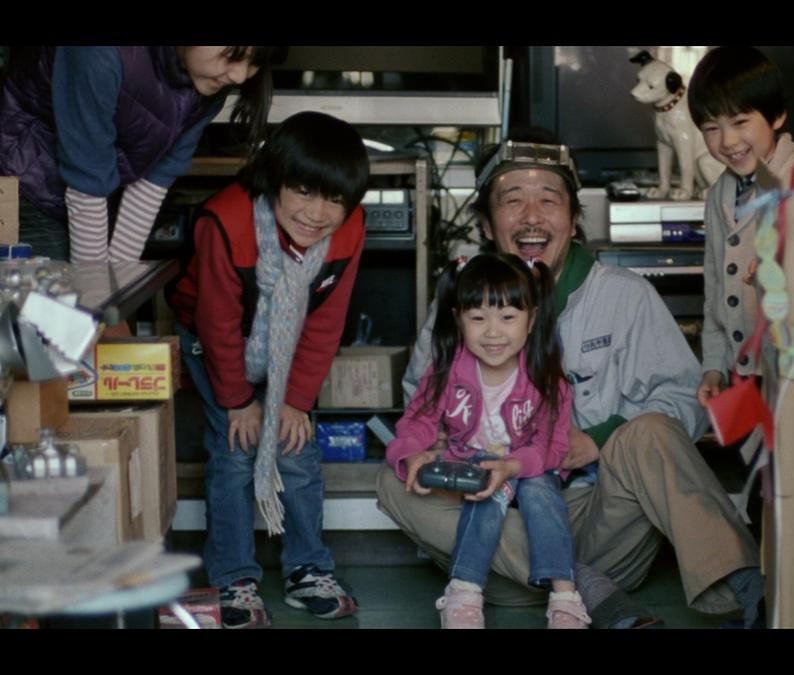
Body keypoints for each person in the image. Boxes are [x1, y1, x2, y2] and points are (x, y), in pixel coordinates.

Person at [376, 128, 765, 628]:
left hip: (597, 517)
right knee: (395, 479)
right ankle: (583, 588)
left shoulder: (625, 295)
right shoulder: (460, 303)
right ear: (488, 225)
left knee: (651, 431)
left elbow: (684, 401)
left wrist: (596, 440)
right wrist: (444, 454)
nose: (531, 216)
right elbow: (421, 400)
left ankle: (747, 590)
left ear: (574, 220)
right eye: (512, 200)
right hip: (490, 529)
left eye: (548, 199)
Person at [168, 111, 369, 629]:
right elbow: (217, 323)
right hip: (216, 340)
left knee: (295, 448)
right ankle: (233, 577)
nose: (317, 214)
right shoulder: (225, 222)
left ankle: (309, 568)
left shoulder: (349, 229)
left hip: (292, 340)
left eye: (334, 199)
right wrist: (238, 402)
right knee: (236, 450)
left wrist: (296, 401)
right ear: (274, 178)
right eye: (303, 191)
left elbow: (326, 321)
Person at [386, 252, 590, 629]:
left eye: (508, 318)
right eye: (478, 318)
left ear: (531, 320)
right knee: (485, 483)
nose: (493, 332)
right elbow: (417, 421)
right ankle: (464, 591)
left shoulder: (547, 378)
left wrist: (513, 466)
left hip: (528, 467)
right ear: (458, 320)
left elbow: (552, 447)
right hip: (475, 467)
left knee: (540, 490)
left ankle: (565, 596)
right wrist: (411, 454)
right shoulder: (447, 371)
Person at [0, 45, 279, 262]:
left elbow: (157, 177)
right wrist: (98, 292)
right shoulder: (98, 52)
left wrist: (118, 282)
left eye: (254, 62)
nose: (240, 75)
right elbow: (88, 175)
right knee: (46, 310)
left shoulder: (209, 79)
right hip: (23, 178)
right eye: (232, 55)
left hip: (89, 193)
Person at [688, 46, 794, 405]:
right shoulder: (718, 195)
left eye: (740, 122)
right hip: (741, 376)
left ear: (778, 115)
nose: (727, 141)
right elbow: (715, 289)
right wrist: (713, 366)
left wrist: (789, 264)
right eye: (711, 128)